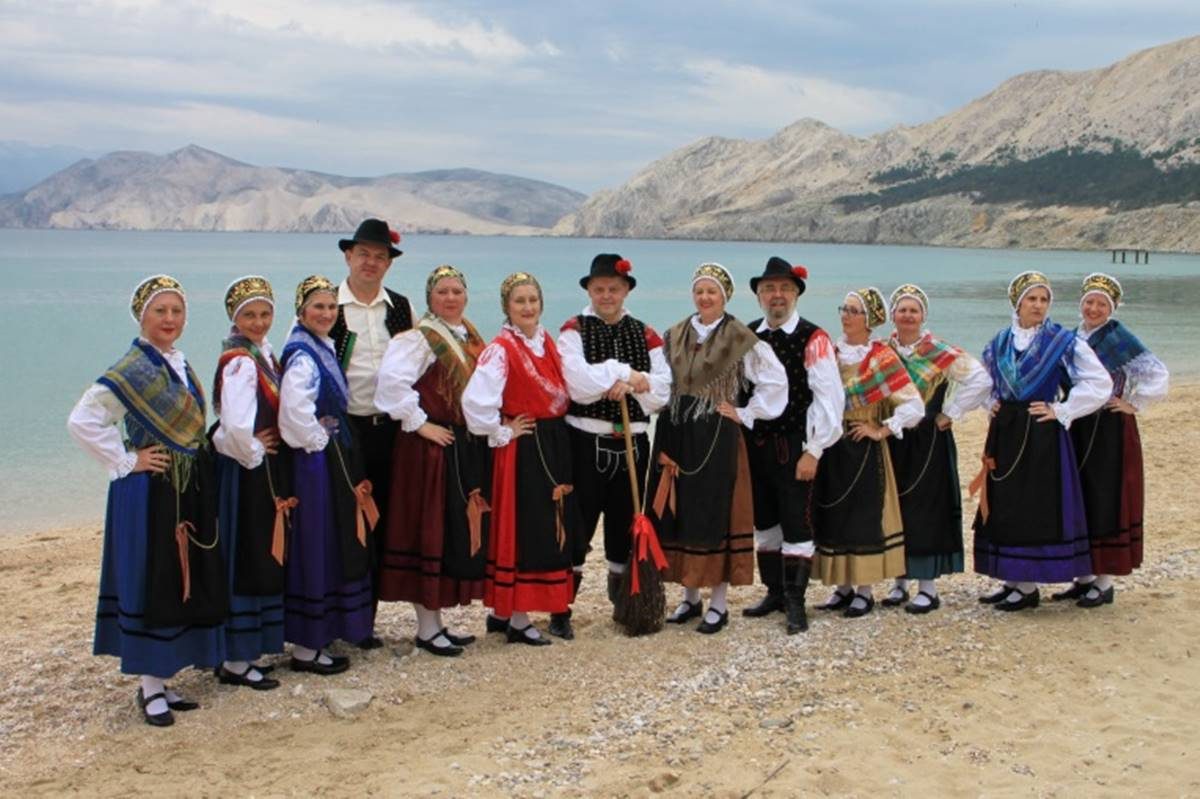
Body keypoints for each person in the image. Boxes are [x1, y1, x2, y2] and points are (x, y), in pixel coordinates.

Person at [68, 275, 225, 727]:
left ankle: (163, 677)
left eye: (177, 311)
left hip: (182, 486)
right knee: (153, 578)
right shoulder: (132, 369)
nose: (170, 319)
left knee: (177, 577)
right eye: (161, 311)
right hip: (150, 489)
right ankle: (150, 688)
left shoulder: (175, 362)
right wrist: (126, 459)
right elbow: (82, 421)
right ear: (142, 316)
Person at [646, 263, 787, 635]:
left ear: (725, 297)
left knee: (714, 512)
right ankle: (690, 598)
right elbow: (659, 382)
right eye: (700, 291)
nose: (705, 297)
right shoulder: (674, 334)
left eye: (712, 292)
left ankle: (719, 605)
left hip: (716, 435)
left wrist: (746, 412)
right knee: (681, 512)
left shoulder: (739, 337)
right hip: (676, 431)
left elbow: (775, 382)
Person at [973, 271, 1112, 611]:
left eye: (1044, 299)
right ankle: (1013, 580)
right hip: (1006, 431)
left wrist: (1062, 409)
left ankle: (1028, 587)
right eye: (1032, 299)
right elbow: (982, 381)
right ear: (1017, 303)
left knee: (1033, 505)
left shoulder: (1061, 341)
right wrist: (989, 403)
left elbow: (1099, 382)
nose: (1038, 305)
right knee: (1006, 502)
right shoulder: (1000, 341)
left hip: (1041, 434)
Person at [375, 266, 490, 656]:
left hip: (458, 443)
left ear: (466, 296)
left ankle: (437, 623)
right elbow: (390, 385)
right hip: (429, 448)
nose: (451, 297)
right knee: (429, 530)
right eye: (442, 291)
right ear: (430, 298)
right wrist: (421, 424)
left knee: (450, 530)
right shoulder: (418, 339)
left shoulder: (468, 334)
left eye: (457, 290)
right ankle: (426, 628)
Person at [555, 253, 670, 638]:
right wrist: (630, 376)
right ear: (589, 290)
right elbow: (577, 385)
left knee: (625, 526)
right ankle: (560, 609)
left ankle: (625, 604)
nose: (607, 295)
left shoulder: (646, 333)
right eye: (600, 288)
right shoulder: (573, 330)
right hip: (584, 442)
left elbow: (662, 392)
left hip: (633, 442)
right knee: (577, 526)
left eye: (614, 289)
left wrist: (633, 386)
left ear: (626, 291)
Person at [462, 272, 580, 646]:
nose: (528, 307)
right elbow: (475, 403)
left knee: (546, 522)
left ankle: (503, 614)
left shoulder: (546, 342)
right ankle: (517, 617)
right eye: (519, 301)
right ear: (506, 307)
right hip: (524, 445)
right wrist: (502, 431)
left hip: (551, 440)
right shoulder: (501, 349)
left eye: (533, 300)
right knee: (525, 527)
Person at [739, 257, 842, 635]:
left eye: (784, 288)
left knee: (797, 522)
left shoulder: (814, 338)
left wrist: (814, 450)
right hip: (755, 446)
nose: (776, 295)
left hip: (794, 445)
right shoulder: (747, 335)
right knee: (765, 522)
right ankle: (775, 592)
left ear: (796, 294)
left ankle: (796, 600)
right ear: (759, 296)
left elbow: (830, 398)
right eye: (769, 289)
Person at [1052, 273, 1168, 607]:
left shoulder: (1119, 338)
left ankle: (1103, 583)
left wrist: (1132, 403)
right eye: (1089, 302)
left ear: (1111, 308)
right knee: (1079, 495)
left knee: (1105, 496)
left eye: (1101, 304)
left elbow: (1157, 374)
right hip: (1076, 422)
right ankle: (1083, 578)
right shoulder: (1071, 337)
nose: (1093, 308)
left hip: (1108, 427)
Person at [279, 275, 377, 672]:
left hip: (328, 455)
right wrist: (320, 438)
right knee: (316, 541)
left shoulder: (319, 345)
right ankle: (307, 646)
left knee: (333, 539)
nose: (326, 313)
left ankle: (325, 631)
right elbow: (293, 412)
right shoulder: (302, 354)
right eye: (318, 307)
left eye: (331, 307)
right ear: (301, 311)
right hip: (314, 462)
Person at [813, 287, 923, 619]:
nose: (845, 316)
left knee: (863, 515)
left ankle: (864, 590)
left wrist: (881, 429)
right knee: (834, 511)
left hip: (863, 446)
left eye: (853, 311)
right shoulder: (830, 353)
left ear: (869, 319)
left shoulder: (881, 358)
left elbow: (914, 405)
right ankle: (843, 586)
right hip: (832, 442)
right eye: (844, 309)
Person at [883, 285, 992, 614]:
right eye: (902, 310)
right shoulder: (883, 351)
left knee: (926, 508)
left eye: (914, 310)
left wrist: (951, 412)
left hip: (928, 438)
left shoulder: (940, 352)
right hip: (892, 434)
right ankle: (899, 580)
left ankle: (927, 588)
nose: (908, 315)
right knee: (894, 506)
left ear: (923, 316)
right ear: (893, 315)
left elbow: (981, 380)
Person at [332, 219, 414, 648]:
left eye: (380, 256)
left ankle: (367, 620)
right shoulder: (326, 304)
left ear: (389, 264)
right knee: (346, 522)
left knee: (383, 520)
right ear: (348, 256)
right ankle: (343, 618)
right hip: (344, 431)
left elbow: (418, 361)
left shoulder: (400, 308)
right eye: (363, 254)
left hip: (389, 430)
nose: (371, 262)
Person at [211, 275, 290, 689]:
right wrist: (255, 449)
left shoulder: (259, 354)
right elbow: (236, 426)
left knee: (259, 551)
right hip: (247, 470)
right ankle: (237, 659)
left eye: (264, 314)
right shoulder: (240, 362)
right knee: (249, 553)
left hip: (255, 466)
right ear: (235, 318)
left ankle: (246, 651)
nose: (258, 322)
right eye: (249, 316)